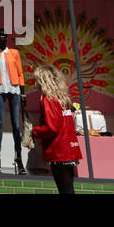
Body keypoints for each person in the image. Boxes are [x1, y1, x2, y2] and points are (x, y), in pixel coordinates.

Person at [30, 64, 82, 193]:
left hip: (59, 150)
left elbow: (51, 127)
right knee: (69, 189)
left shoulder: (48, 99)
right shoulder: (62, 98)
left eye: (37, 80)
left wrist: (34, 131)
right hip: (69, 148)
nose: (35, 84)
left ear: (43, 80)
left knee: (65, 190)